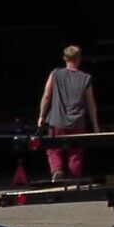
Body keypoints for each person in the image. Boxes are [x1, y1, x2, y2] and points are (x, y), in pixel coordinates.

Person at [37, 45, 100, 181]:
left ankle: (57, 170)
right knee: (76, 152)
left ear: (65, 58)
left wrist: (42, 116)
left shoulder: (55, 74)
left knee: (54, 149)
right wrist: (95, 124)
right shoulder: (86, 78)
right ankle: (73, 176)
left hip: (57, 121)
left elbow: (46, 96)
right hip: (78, 122)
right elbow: (90, 102)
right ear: (79, 59)